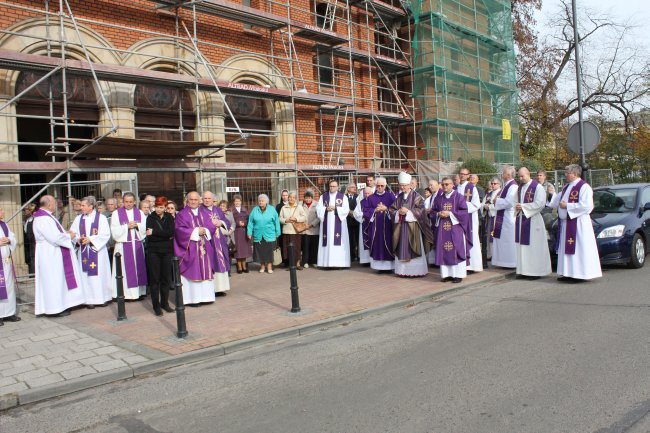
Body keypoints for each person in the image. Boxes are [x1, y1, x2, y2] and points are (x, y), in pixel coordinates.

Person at [548, 164, 602, 281]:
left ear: (575, 174)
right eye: (565, 172)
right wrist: (550, 196)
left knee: (578, 249)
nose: (566, 175)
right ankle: (568, 273)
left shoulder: (584, 187)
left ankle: (579, 274)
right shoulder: (566, 187)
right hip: (566, 224)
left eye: (568, 173)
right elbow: (556, 201)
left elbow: (587, 206)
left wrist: (568, 205)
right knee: (566, 249)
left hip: (578, 224)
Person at [33, 195, 84, 316]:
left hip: (52, 252)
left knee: (57, 279)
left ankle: (60, 304)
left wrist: (65, 233)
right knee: (53, 280)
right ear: (49, 204)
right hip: (49, 253)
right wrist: (69, 236)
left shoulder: (46, 216)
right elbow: (54, 237)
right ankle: (54, 309)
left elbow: (55, 233)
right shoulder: (43, 218)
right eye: (54, 203)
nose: (56, 205)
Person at [174, 191, 222, 305]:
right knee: (193, 270)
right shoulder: (182, 214)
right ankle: (192, 299)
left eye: (196, 200)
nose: (194, 202)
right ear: (187, 200)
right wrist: (195, 231)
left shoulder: (204, 212)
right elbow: (179, 230)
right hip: (190, 248)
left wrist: (205, 230)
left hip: (204, 246)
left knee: (206, 269)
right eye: (191, 199)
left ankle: (206, 297)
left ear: (199, 200)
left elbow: (211, 225)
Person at [69, 196, 112, 308]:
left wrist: (91, 239)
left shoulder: (101, 218)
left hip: (97, 252)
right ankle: (88, 300)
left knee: (99, 275)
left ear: (91, 206)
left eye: (83, 205)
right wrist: (77, 239)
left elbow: (105, 234)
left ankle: (102, 298)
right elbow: (73, 233)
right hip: (83, 251)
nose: (81, 207)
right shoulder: (78, 219)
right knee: (85, 276)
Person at [390, 172, 434, 277]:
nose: (402, 187)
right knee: (401, 247)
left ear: (409, 185)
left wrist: (408, 212)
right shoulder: (399, 197)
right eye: (401, 185)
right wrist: (398, 212)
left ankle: (416, 272)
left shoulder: (417, 197)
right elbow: (392, 210)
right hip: (400, 228)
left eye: (404, 185)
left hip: (413, 228)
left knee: (413, 247)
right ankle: (403, 271)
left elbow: (422, 211)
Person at [430, 177, 470, 283]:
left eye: (447, 184)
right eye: (443, 184)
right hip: (442, 230)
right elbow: (432, 212)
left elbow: (464, 213)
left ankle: (458, 275)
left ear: (453, 185)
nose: (445, 186)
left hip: (455, 229)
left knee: (456, 250)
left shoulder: (459, 197)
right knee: (444, 250)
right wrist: (438, 214)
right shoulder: (438, 198)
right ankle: (446, 275)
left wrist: (450, 214)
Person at [514, 168, 552, 279]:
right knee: (522, 247)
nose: (520, 178)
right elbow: (514, 201)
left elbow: (540, 204)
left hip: (533, 220)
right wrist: (517, 206)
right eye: (519, 176)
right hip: (522, 219)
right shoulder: (520, 187)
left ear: (528, 174)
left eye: (522, 176)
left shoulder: (537, 187)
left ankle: (535, 272)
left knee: (533, 247)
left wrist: (524, 207)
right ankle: (523, 271)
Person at [111, 192, 147, 300]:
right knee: (124, 270)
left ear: (135, 202)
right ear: (123, 201)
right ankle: (125, 294)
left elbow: (145, 227)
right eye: (126, 202)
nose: (129, 204)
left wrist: (137, 225)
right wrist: (126, 226)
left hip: (137, 245)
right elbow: (114, 230)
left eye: (131, 202)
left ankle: (139, 293)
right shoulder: (116, 214)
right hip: (123, 245)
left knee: (138, 268)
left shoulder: (140, 213)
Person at [146, 196, 175, 315]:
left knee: (166, 278)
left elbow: (171, 232)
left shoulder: (169, 217)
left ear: (165, 208)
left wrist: (156, 232)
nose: (158, 209)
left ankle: (165, 303)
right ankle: (156, 306)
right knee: (154, 279)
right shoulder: (150, 217)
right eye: (157, 207)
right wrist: (163, 235)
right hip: (154, 252)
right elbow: (149, 235)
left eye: (161, 207)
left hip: (167, 251)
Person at [316, 179, 351, 268]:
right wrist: (325, 209)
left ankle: (340, 263)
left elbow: (346, 210)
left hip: (339, 224)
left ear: (338, 187)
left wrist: (336, 208)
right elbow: (318, 209)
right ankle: (326, 263)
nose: (332, 188)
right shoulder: (323, 196)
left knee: (339, 242)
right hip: (326, 225)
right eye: (330, 186)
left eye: (334, 186)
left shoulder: (343, 197)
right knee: (327, 241)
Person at [363, 177, 395, 272]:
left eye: (382, 186)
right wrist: (374, 210)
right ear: (375, 186)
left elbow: (395, 209)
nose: (380, 187)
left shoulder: (390, 196)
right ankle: (378, 267)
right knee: (377, 244)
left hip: (388, 226)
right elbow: (365, 210)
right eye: (378, 186)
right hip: (376, 227)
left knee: (389, 244)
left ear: (385, 186)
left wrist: (386, 209)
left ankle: (389, 267)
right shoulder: (371, 197)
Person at [201, 192, 230, 295]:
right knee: (211, 263)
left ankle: (220, 288)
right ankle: (211, 289)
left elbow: (227, 221)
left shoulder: (217, 210)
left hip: (219, 241)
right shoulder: (200, 210)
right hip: (208, 241)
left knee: (221, 263)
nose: (207, 200)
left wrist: (220, 223)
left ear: (213, 199)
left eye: (209, 198)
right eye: (205, 198)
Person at [491, 165, 518, 268]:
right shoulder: (506, 185)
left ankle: (510, 263)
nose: (502, 174)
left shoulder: (513, 186)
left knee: (508, 241)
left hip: (508, 218)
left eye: (503, 172)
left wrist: (496, 201)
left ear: (508, 175)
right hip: (503, 217)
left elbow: (510, 202)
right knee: (502, 240)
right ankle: (502, 262)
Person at [456, 168, 483, 273]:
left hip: (469, 219)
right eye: (460, 174)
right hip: (458, 219)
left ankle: (473, 266)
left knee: (471, 240)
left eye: (464, 174)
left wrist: (462, 206)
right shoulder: (456, 187)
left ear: (468, 176)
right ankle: (463, 265)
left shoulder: (472, 188)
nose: (462, 175)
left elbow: (476, 204)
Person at [248, 194, 281, 273]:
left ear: (266, 202)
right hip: (258, 234)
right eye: (259, 201)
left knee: (269, 251)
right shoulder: (255, 210)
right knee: (261, 251)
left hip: (269, 233)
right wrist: (249, 232)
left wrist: (277, 232)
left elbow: (276, 221)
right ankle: (262, 266)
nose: (260, 202)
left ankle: (269, 267)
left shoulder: (272, 209)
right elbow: (250, 222)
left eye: (262, 201)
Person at [0, 208, 21, 325]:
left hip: (6, 262)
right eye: (0, 211)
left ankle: (9, 313)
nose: (3, 212)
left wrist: (8, 239)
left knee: (8, 286)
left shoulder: (4, 224)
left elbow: (13, 237)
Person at [279, 191, 307, 269]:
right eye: (290, 197)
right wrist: (285, 220)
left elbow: (304, 217)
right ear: (288, 198)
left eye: (293, 197)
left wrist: (296, 219)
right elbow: (279, 218)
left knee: (297, 248)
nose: (291, 199)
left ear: (296, 199)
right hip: (287, 231)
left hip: (295, 231)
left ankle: (297, 264)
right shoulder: (283, 207)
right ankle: (290, 264)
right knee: (287, 248)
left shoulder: (299, 207)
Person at [481, 177, 502, 260]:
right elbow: (482, 204)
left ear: (499, 184)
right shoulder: (488, 194)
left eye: (495, 184)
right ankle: (489, 254)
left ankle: (496, 255)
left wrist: (489, 207)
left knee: (495, 236)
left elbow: (501, 205)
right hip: (489, 218)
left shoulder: (501, 193)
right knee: (489, 236)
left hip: (497, 218)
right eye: (492, 183)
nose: (492, 185)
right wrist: (484, 206)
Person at [231, 195, 252, 274]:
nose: (237, 202)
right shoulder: (231, 210)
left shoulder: (245, 209)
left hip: (244, 232)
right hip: (235, 232)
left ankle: (244, 265)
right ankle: (239, 266)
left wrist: (245, 223)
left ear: (241, 202)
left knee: (244, 250)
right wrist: (237, 223)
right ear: (234, 202)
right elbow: (229, 220)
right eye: (236, 201)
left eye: (238, 201)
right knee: (238, 250)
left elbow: (249, 219)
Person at [301, 189, 320, 268]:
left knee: (314, 246)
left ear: (312, 198)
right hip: (305, 229)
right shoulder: (301, 205)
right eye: (306, 198)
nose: (308, 199)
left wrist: (312, 224)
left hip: (314, 229)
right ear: (304, 198)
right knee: (305, 246)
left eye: (309, 198)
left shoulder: (317, 204)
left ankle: (314, 261)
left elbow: (319, 217)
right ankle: (305, 261)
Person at [354, 186, 372, 265]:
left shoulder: (375, 201)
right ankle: (365, 260)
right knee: (363, 241)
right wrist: (363, 216)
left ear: (372, 193)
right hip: (364, 224)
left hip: (372, 224)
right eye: (365, 193)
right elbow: (356, 213)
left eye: (368, 193)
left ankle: (373, 259)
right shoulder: (361, 202)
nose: (367, 195)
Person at [275, 189, 290, 267]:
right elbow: (277, 217)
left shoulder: (292, 204)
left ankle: (290, 260)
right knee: (282, 244)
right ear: (281, 196)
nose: (284, 197)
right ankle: (283, 260)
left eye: (286, 195)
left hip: (290, 227)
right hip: (281, 227)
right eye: (283, 195)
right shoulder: (278, 206)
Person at [345, 183, 359, 262]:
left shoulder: (358, 197)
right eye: (353, 187)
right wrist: (349, 212)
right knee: (350, 239)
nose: (355, 188)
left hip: (356, 221)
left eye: (355, 187)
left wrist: (354, 213)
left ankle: (358, 255)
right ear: (348, 189)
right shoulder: (344, 197)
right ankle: (351, 256)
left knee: (357, 239)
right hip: (348, 221)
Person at [23, 203, 36, 275]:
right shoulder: (27, 220)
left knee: (34, 257)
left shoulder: (34, 219)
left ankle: (34, 273)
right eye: (25, 210)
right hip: (28, 242)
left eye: (27, 210)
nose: (25, 211)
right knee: (30, 257)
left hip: (33, 242)